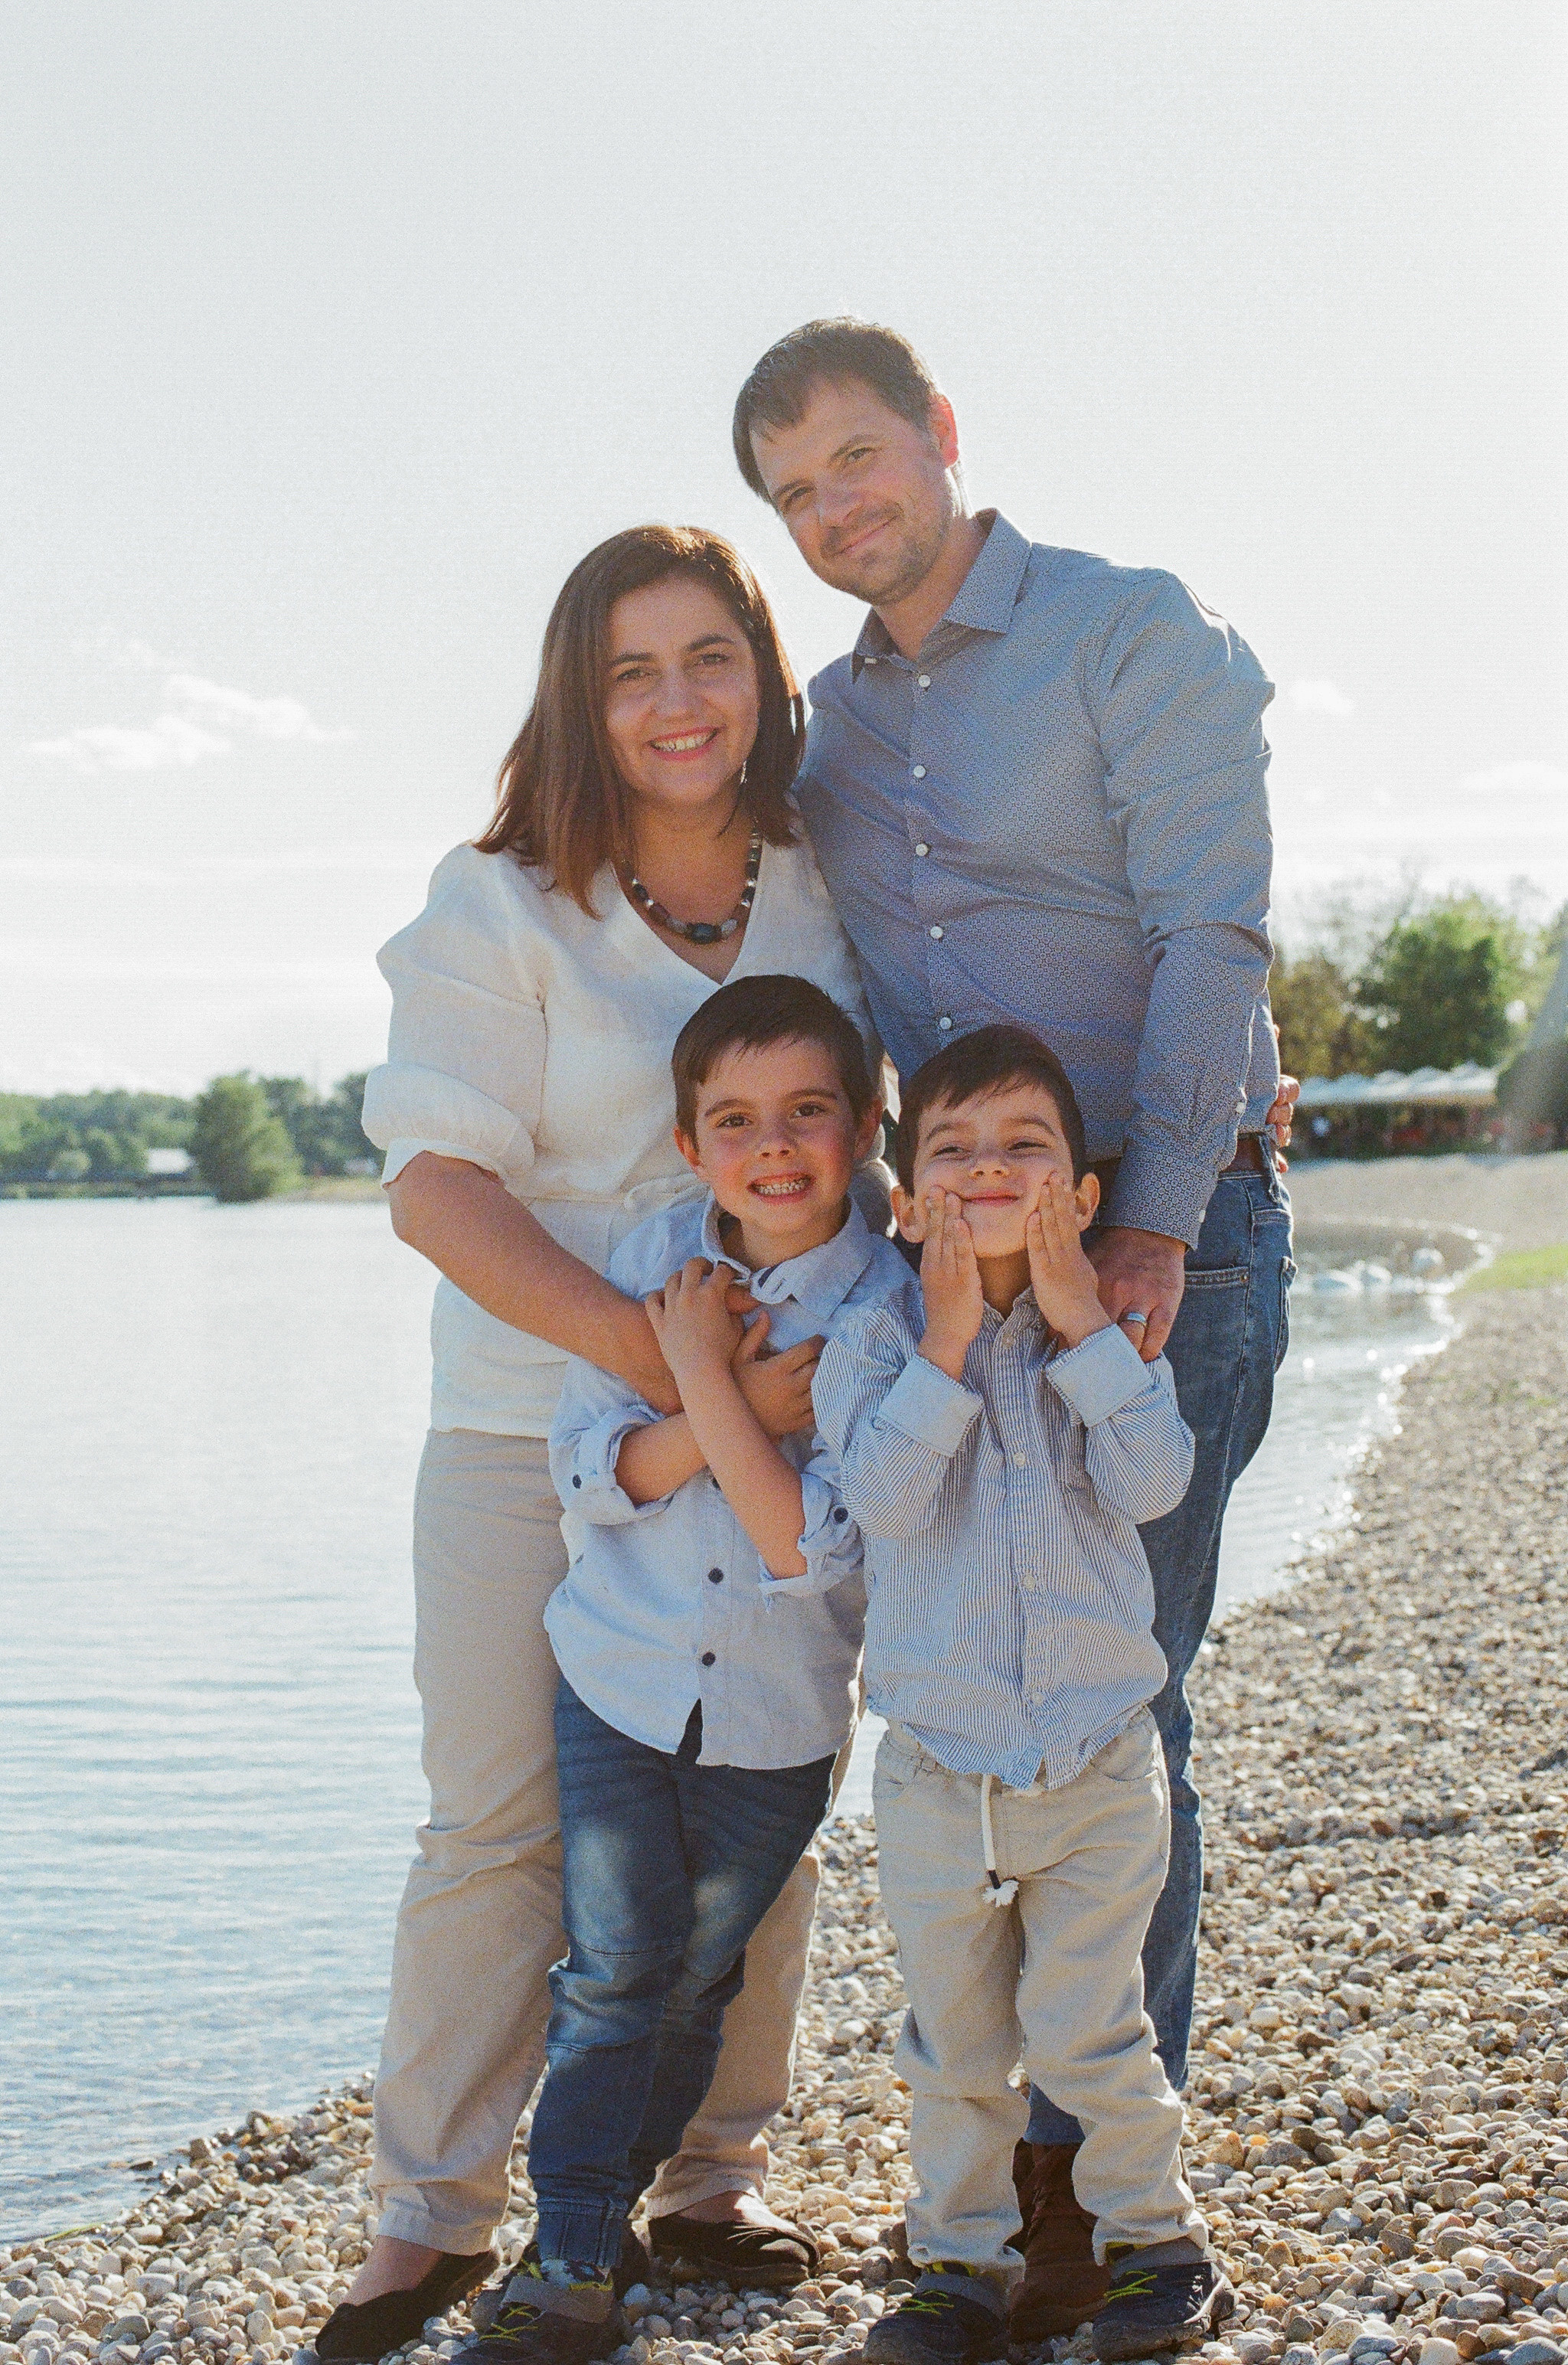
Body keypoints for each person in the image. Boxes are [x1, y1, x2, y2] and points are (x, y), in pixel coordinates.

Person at [733, 318, 1295, 2337]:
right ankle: (1000, 2194)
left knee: (1122, 1701)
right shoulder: (823, 735)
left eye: (861, 459)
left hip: (1171, 1246)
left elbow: (1212, 928)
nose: (836, 509)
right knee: (997, 1672)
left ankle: (1102, 2197)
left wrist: (1146, 1213)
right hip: (940, 1273)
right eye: (796, 492)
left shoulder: (1132, 633)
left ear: (943, 435)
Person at [324, 526, 888, 2364]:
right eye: (633, 668)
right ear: (581, 694)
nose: (675, 701)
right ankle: (430, 2216)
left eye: (710, 656)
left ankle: (704, 2182)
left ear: (764, 675)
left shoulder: (830, 876)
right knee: (498, 1822)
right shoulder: (495, 901)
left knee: (760, 1799)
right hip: (520, 1427)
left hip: (793, 1432)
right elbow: (436, 1192)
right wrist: (671, 1373)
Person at [453, 975, 910, 2365]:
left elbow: (811, 1544)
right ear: (691, 1137)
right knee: (612, 1968)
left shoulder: (889, 1310)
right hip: (618, 1678)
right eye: (735, 1120)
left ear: (867, 1121)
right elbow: (590, 1471)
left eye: (807, 1113)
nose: (773, 1147)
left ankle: (605, 2209)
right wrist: (724, 1401)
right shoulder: (653, 1261)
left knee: (700, 1972)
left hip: (777, 1717)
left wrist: (701, 1382)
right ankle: (574, 2240)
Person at [815, 1026, 1230, 2365]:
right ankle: (956, 2265)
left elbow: (1154, 1483)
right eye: (954, 1148)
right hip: (940, 1765)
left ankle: (1156, 2245)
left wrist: (1074, 1326)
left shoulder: (1112, 1331)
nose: (989, 1167)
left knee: (1087, 2026)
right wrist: (944, 1344)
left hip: (1097, 1755)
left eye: (1024, 1146)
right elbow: (878, 1501)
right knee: (954, 2038)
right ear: (904, 1195)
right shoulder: (873, 1338)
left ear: (1084, 1194)